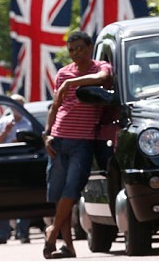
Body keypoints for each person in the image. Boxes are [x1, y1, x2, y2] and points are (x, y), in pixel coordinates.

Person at [42, 31, 112, 259]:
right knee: (61, 193)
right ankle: (68, 247)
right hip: (58, 140)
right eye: (71, 50)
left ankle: (52, 233)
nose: (75, 53)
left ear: (89, 47)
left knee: (72, 191)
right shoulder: (62, 73)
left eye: (80, 48)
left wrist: (72, 83)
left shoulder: (100, 66)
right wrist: (46, 134)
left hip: (83, 142)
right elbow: (55, 106)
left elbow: (101, 79)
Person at [0, 94, 33, 245]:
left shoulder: (28, 123)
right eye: (15, 105)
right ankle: (1, 234)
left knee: (25, 199)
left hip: (23, 165)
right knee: (4, 199)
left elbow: (34, 142)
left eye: (20, 105)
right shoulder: (2, 123)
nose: (18, 109)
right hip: (5, 165)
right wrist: (5, 133)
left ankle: (23, 232)